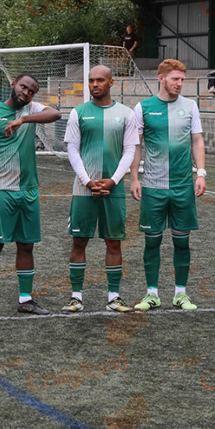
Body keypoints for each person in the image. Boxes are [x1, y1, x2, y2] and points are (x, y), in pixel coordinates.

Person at [0, 74, 61, 318]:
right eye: (23, 86)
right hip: (1, 188)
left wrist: (23, 119)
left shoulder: (32, 110)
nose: (26, 93)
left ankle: (26, 300)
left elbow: (56, 114)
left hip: (29, 190)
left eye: (32, 91)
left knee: (26, 245)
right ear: (13, 84)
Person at [130, 59, 206, 312]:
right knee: (151, 241)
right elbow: (136, 146)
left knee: (182, 242)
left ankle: (180, 294)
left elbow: (197, 140)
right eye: (175, 79)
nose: (180, 83)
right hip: (153, 186)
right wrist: (134, 178)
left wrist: (201, 173)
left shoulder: (190, 106)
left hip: (183, 186)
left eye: (182, 79)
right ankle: (152, 294)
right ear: (161, 78)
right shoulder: (143, 108)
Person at [63, 65, 137, 313]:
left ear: (111, 82)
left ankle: (114, 297)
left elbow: (130, 151)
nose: (95, 84)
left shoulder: (126, 114)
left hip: (112, 189)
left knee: (114, 243)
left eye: (100, 80)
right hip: (84, 189)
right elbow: (72, 149)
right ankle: (76, 297)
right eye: (91, 80)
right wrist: (86, 180)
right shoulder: (78, 113)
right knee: (79, 241)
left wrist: (114, 180)